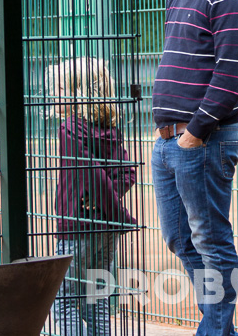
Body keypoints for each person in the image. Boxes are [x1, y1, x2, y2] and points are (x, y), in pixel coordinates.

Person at [150, 0, 238, 336]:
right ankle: (220, 329)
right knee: (180, 238)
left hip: (203, 140)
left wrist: (194, 133)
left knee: (211, 241)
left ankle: (213, 330)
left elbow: (231, 75)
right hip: (168, 141)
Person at [47, 57, 138, 336]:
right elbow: (127, 173)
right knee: (96, 301)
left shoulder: (70, 128)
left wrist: (115, 211)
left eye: (59, 89)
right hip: (106, 231)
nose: (53, 94)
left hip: (77, 228)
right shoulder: (110, 130)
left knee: (63, 302)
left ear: (79, 92)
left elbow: (93, 175)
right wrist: (109, 206)